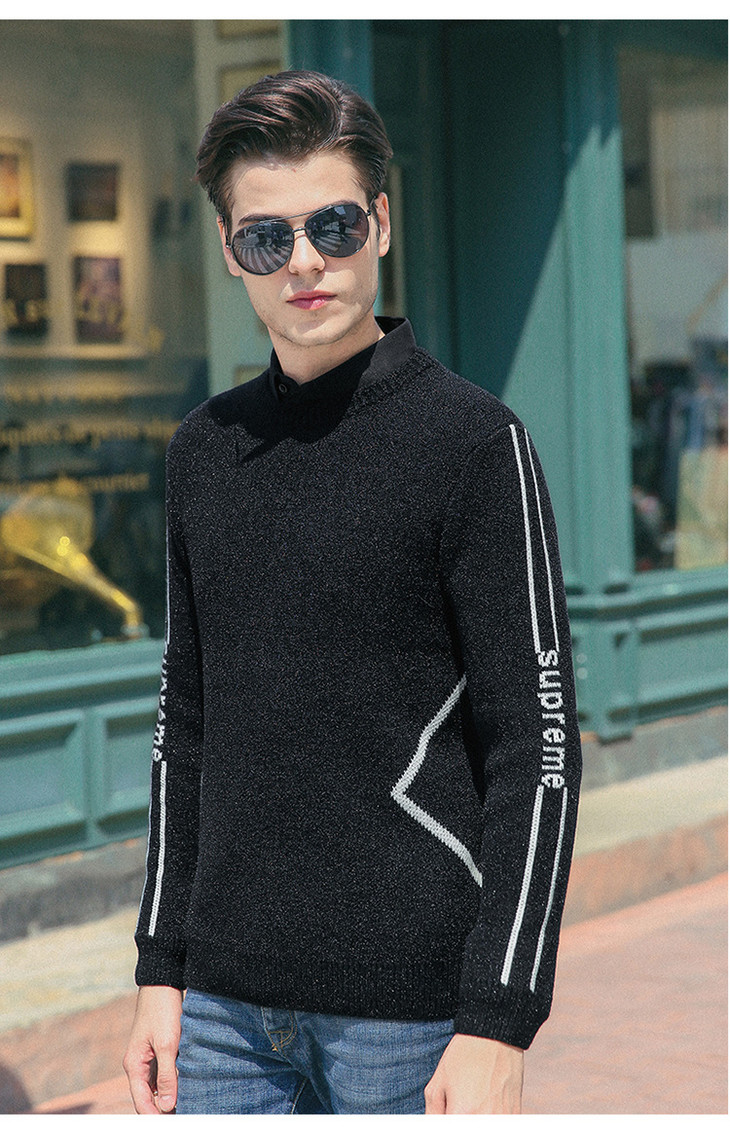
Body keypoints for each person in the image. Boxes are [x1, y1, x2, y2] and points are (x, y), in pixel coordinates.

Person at [123, 69, 581, 1116]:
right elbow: (183, 720)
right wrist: (160, 963)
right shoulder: (203, 451)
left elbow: (538, 745)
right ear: (230, 249)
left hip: (409, 1014)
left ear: (381, 221)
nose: (305, 261)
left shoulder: (475, 444)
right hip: (221, 1013)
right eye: (265, 237)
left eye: (332, 224)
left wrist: (500, 1015)